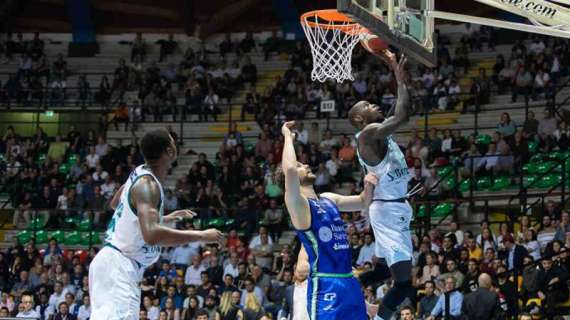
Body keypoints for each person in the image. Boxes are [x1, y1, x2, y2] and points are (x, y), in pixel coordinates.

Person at [89, 128, 224, 319]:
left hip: (111, 262)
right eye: (173, 141)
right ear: (169, 151)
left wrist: (164, 218)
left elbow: (116, 204)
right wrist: (202, 235)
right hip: (120, 265)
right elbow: (151, 235)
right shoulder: (148, 185)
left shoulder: (138, 172)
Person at [278, 121, 377, 319]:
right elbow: (288, 169)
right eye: (299, 165)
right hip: (326, 284)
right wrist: (287, 136)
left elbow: (363, 201)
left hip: (349, 282)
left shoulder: (329, 199)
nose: (305, 165)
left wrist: (369, 184)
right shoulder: (300, 206)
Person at [347, 50, 414, 320]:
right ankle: (379, 318)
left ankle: (350, 287)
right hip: (387, 211)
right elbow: (402, 116)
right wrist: (399, 79)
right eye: (367, 106)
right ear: (360, 119)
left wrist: (399, 76)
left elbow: (400, 109)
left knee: (387, 272)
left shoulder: (377, 133)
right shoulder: (367, 135)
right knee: (404, 283)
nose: (373, 105)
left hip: (394, 208)